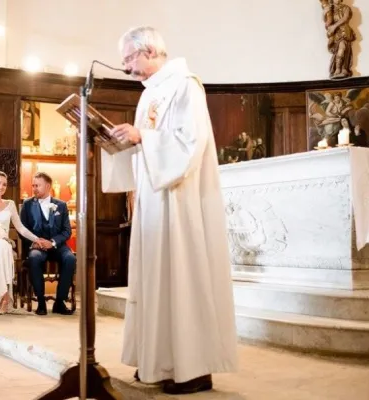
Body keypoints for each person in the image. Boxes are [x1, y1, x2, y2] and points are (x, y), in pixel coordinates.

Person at [101, 26, 238, 394]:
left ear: (148, 51)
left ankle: (192, 369)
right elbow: (147, 145)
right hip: (153, 202)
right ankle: (159, 361)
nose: (126, 66)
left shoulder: (184, 85)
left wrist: (143, 136)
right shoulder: (150, 95)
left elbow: (190, 144)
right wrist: (122, 141)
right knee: (156, 281)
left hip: (179, 201)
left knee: (181, 278)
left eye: (128, 58)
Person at [0, 171, 50, 314]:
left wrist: (36, 239)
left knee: (2, 246)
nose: (1, 186)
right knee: (1, 247)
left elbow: (20, 228)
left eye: (4, 184)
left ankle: (3, 298)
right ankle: (3, 296)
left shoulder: (10, 205)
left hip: (3, 244)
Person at [20, 172, 76, 316]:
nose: (34, 188)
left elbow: (66, 231)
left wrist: (52, 242)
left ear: (48, 186)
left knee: (70, 259)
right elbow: (22, 229)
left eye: (37, 185)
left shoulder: (61, 205)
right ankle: (41, 302)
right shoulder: (27, 205)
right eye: (33, 185)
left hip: (57, 246)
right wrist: (35, 242)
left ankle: (60, 302)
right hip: (37, 245)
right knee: (34, 258)